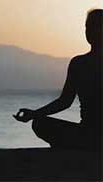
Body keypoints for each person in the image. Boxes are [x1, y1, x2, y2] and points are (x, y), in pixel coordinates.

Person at [13, 9, 102, 151]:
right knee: (40, 123)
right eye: (87, 27)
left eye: (95, 27)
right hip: (87, 132)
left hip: (92, 136)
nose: (89, 31)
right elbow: (64, 101)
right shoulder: (78, 63)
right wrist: (34, 114)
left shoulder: (79, 63)